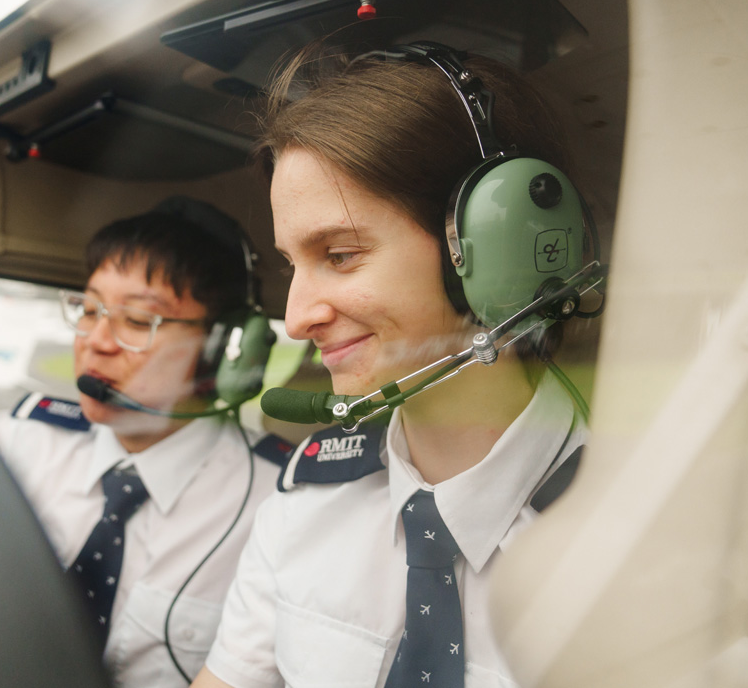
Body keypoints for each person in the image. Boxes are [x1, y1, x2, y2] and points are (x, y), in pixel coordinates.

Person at [194, 42, 600, 688]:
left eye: (340, 255)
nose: (296, 319)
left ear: (497, 248)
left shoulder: (638, 537)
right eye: (292, 265)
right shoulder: (303, 508)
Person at [0, 197, 288, 688]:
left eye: (138, 321)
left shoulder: (277, 505)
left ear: (222, 349)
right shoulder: (11, 446)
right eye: (89, 310)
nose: (96, 341)